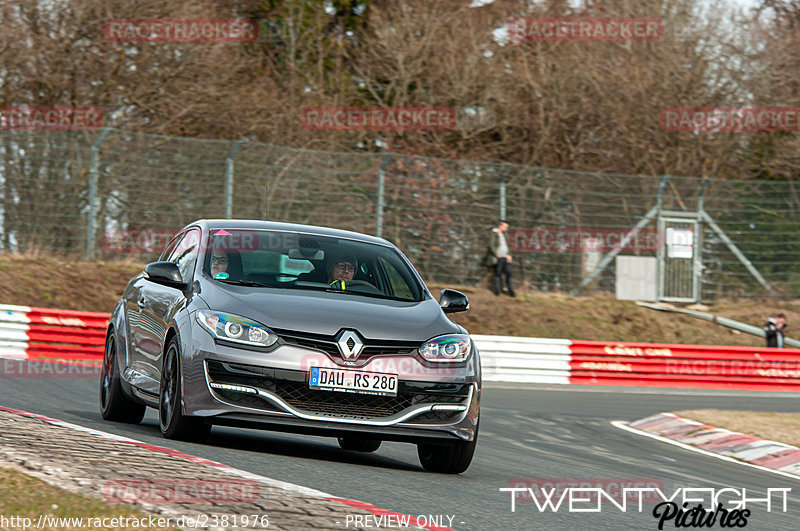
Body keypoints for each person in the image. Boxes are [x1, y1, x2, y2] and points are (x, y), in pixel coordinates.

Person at [483, 220, 515, 296]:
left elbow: (507, 246)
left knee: (508, 273)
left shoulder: (505, 235)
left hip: (505, 257)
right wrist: (496, 254)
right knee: (497, 274)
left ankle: (510, 291)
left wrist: (509, 255)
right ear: (500, 226)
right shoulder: (494, 234)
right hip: (498, 258)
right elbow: (491, 245)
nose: (506, 228)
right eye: (505, 226)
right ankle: (497, 291)